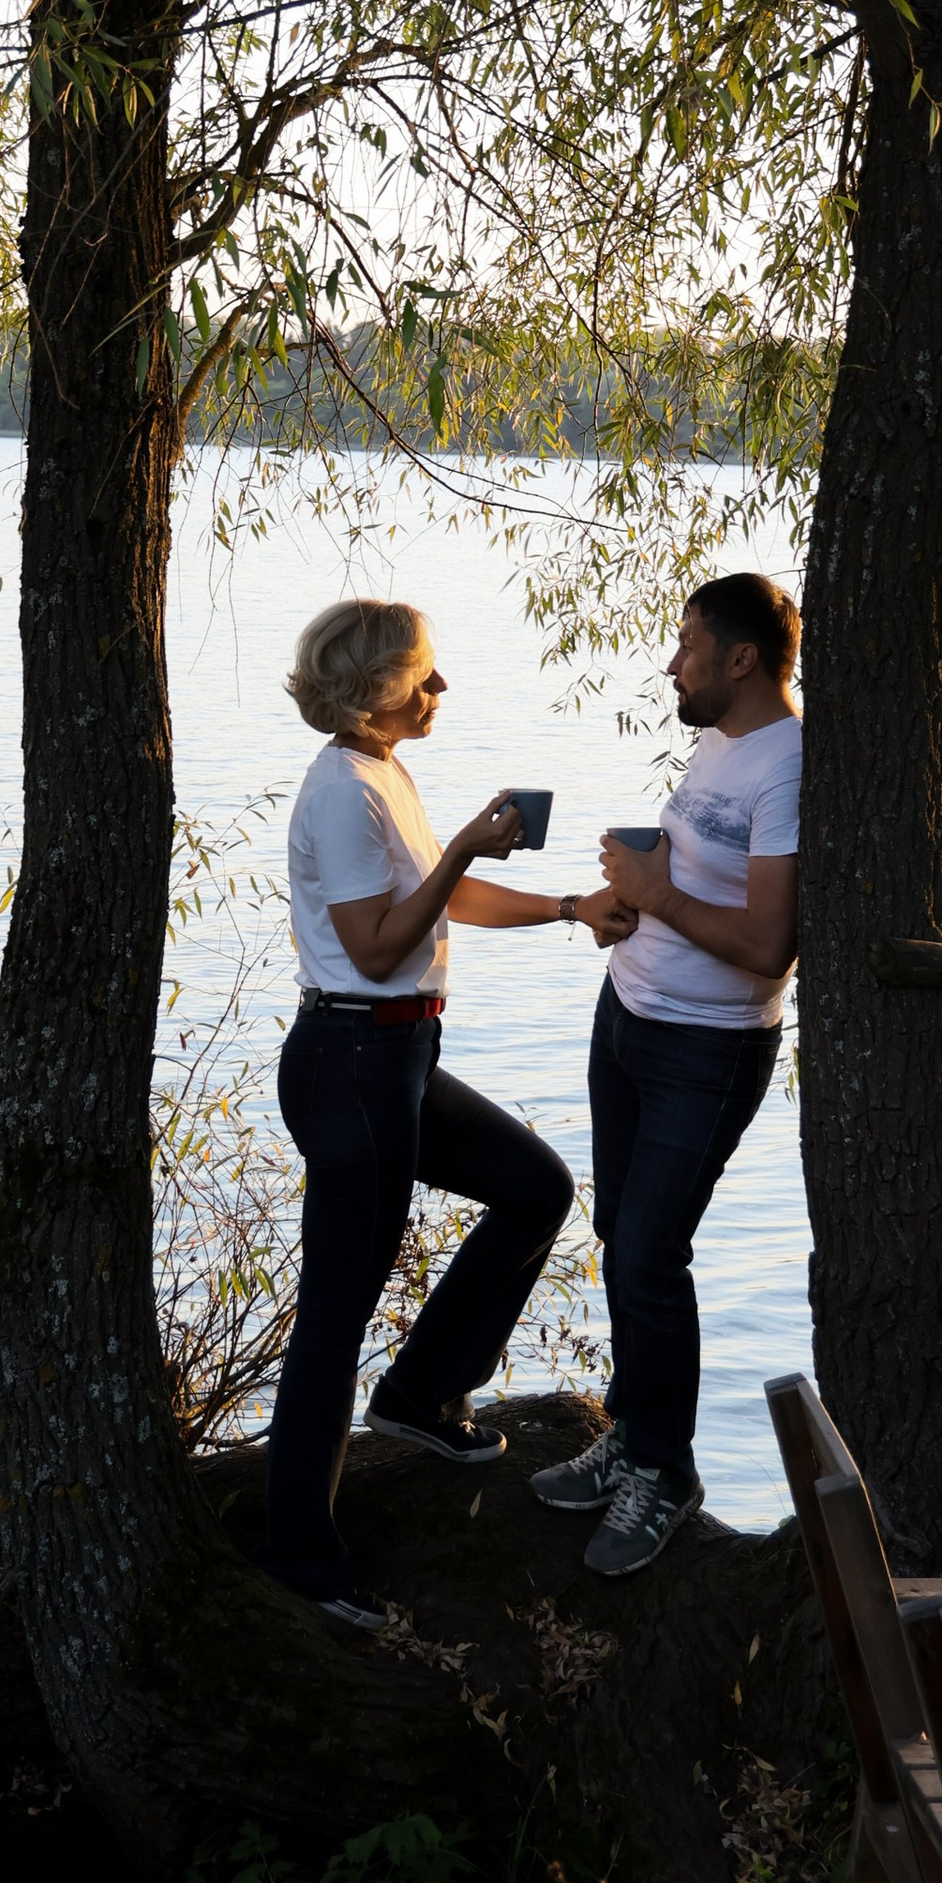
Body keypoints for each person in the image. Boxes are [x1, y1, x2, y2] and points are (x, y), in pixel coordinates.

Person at [262, 595, 626, 1630]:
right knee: (332, 1320)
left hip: (398, 1057)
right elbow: (377, 947)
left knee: (534, 1188)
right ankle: (301, 1558)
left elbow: (436, 900)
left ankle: (421, 1397)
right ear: (376, 687)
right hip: (353, 1063)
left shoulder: (382, 774)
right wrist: (465, 843)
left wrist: (564, 907)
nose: (440, 686)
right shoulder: (341, 792)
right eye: (424, 672)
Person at [532, 571, 801, 1576]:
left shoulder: (790, 766)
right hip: (629, 1012)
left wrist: (653, 889)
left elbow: (770, 944)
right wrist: (627, 904)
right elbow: (704, 878)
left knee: (649, 1250)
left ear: (739, 658)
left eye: (687, 643)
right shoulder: (721, 739)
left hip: (708, 1043)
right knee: (618, 1236)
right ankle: (634, 1437)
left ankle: (665, 1473)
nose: (672, 661)